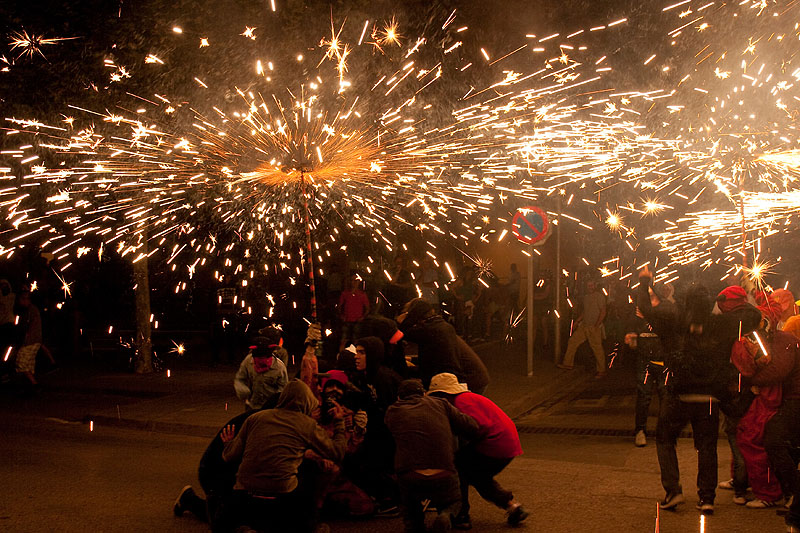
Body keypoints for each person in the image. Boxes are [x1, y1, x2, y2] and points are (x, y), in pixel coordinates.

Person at [219, 380, 347, 533]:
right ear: (306, 402)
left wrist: (228, 444)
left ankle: (246, 526)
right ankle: (310, 526)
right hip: (282, 496)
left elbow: (229, 456)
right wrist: (339, 422)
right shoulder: (306, 424)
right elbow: (337, 452)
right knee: (305, 485)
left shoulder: (255, 418)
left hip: (244, 494)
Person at [654, 283, 737, 514]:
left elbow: (655, 315)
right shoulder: (720, 324)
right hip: (709, 397)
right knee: (707, 447)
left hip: (682, 394)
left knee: (664, 439)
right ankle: (707, 498)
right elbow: (751, 314)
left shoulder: (679, 323)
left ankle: (673, 490)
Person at [428, 373, 527, 529]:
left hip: (495, 443)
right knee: (478, 477)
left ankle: (461, 514)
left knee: (460, 469)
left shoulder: (461, 402)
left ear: (443, 394)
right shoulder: (467, 398)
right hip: (506, 442)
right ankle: (513, 507)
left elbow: (476, 426)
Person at [385, 379, 482, 533]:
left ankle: (414, 525)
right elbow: (471, 426)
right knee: (455, 501)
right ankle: (446, 515)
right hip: (444, 471)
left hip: (410, 473)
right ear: (424, 394)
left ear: (399, 398)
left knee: (410, 504)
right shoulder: (440, 404)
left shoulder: (392, 411)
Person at [732, 293, 787, 508]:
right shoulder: (766, 332)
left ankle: (768, 493)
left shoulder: (751, 339)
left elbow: (754, 367)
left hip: (766, 396)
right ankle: (751, 483)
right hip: (768, 394)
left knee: (752, 439)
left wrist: (752, 380)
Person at [173, 409, 264, 528]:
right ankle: (189, 500)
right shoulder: (256, 424)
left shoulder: (263, 421)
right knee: (231, 519)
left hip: (226, 469)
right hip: (215, 472)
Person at [351, 336, 401, 512]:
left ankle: (392, 498)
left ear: (372, 355)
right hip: (374, 430)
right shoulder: (364, 376)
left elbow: (390, 412)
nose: (357, 356)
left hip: (387, 434)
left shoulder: (384, 379)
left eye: (362, 353)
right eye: (356, 352)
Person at [558, 280, 608, 378]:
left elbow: (603, 312)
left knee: (597, 348)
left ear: (595, 285)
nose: (590, 287)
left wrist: (597, 325)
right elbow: (585, 312)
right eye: (588, 285)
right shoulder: (586, 297)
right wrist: (577, 322)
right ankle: (568, 363)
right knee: (573, 341)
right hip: (584, 326)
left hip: (593, 327)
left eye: (592, 285)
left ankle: (601, 370)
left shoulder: (599, 297)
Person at [234, 335, 289, 410]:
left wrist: (275, 402)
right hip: (251, 406)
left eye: (263, 359)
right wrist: (242, 389)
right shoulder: (248, 361)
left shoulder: (279, 367)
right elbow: (240, 378)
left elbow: (283, 389)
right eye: (258, 359)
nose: (261, 361)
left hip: (271, 408)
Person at [15, 289, 42, 390]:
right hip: (35, 339)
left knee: (21, 362)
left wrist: (25, 338)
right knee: (29, 363)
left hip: (31, 340)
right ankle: (30, 384)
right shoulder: (32, 310)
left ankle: (34, 383)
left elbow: (29, 326)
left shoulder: (30, 310)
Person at [338, 274, 369, 350]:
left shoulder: (362, 294)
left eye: (355, 281)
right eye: (351, 280)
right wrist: (341, 316)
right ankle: (341, 356)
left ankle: (354, 356)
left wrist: (362, 317)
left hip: (357, 321)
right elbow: (339, 306)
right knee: (343, 340)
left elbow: (367, 308)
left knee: (356, 340)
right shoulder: (345, 293)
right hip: (347, 320)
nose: (353, 283)